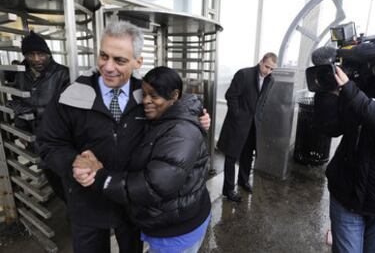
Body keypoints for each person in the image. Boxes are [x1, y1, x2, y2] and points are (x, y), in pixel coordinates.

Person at [38, 21, 211, 253]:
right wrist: (73, 164)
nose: (108, 67)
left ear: (138, 62)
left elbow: (178, 108)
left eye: (119, 60)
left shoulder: (148, 94)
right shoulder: (70, 96)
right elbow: (48, 143)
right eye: (103, 56)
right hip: (87, 204)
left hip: (131, 206)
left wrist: (199, 117)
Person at [74, 66, 211, 253]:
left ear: (174, 95)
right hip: (169, 220)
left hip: (177, 233)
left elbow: (153, 185)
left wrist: (101, 176)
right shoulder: (164, 117)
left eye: (154, 96)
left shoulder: (181, 132)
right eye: (144, 94)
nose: (146, 101)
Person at [314, 19, 375, 253]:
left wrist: (352, 94)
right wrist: (327, 83)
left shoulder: (356, 91)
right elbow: (331, 127)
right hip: (345, 196)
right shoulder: (364, 81)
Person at [8, 31, 70, 202]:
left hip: (59, 140)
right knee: (54, 181)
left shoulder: (63, 74)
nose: (36, 59)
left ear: (48, 53)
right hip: (35, 139)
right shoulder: (20, 73)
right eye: (30, 54)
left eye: (40, 54)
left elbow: (65, 108)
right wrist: (21, 130)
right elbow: (17, 101)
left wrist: (34, 111)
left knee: (69, 183)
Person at [217, 52, 277, 202]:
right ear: (261, 62)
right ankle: (228, 190)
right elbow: (230, 95)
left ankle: (243, 181)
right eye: (266, 66)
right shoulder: (244, 74)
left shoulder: (270, 80)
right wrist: (237, 115)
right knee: (231, 156)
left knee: (247, 155)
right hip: (237, 124)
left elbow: (263, 101)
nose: (267, 71)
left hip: (253, 125)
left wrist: (259, 116)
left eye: (271, 69)